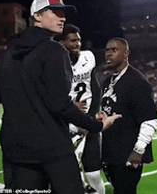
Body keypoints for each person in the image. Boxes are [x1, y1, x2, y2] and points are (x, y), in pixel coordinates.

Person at [0, 0, 121, 193]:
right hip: (51, 148)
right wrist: (98, 125)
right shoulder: (53, 50)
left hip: (15, 147)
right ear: (37, 16)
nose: (63, 18)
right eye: (56, 12)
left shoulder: (10, 50)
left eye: (64, 13)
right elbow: (60, 104)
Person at [101, 37, 157, 194]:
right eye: (107, 50)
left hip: (127, 153)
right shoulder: (107, 81)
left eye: (114, 50)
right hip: (110, 151)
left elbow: (151, 119)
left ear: (126, 53)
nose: (109, 54)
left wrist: (139, 150)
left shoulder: (137, 81)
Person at [56, 24, 105, 194]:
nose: (77, 44)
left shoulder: (88, 57)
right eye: (72, 40)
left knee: (93, 173)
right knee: (67, 174)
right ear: (62, 43)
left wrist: (88, 120)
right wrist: (70, 106)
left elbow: (96, 89)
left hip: (88, 121)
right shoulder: (54, 64)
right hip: (65, 123)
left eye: (79, 40)